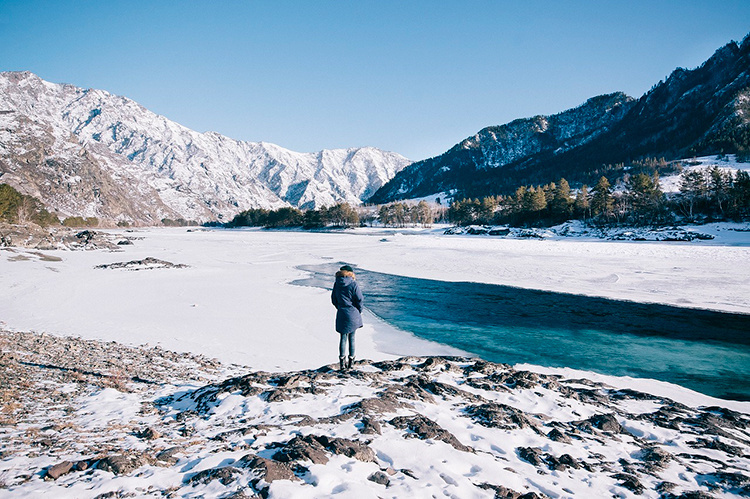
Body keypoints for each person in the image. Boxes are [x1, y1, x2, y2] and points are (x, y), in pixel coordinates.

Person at [331, 264, 363, 370]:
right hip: (353, 313)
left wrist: (340, 307)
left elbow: (333, 299)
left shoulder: (337, 283)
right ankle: (351, 363)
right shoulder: (353, 284)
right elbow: (359, 299)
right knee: (352, 337)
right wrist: (358, 310)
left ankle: (342, 363)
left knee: (343, 338)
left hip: (341, 312)